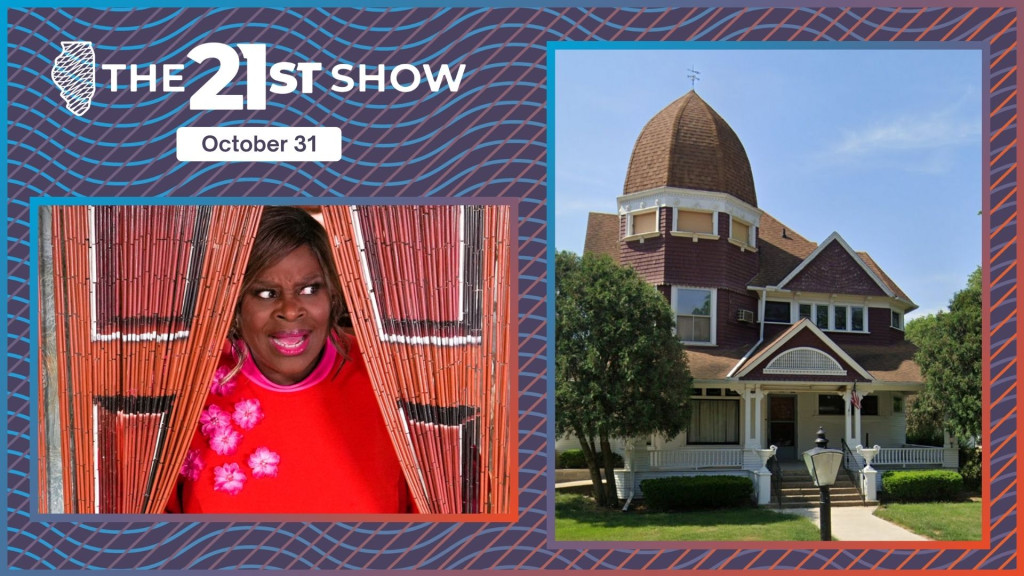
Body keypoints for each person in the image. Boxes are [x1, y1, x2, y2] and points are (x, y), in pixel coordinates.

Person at [166, 206, 413, 513]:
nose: (291, 309)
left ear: (333, 295)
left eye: (309, 289)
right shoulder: (186, 388)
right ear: (235, 303)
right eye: (266, 293)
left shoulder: (392, 376)